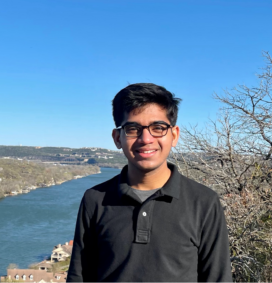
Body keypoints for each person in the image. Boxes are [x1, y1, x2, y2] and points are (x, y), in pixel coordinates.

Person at [66, 83, 233, 283]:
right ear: (117, 138)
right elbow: (79, 276)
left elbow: (218, 278)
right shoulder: (95, 199)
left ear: (174, 135)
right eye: (133, 128)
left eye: (158, 128)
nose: (146, 139)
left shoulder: (204, 202)